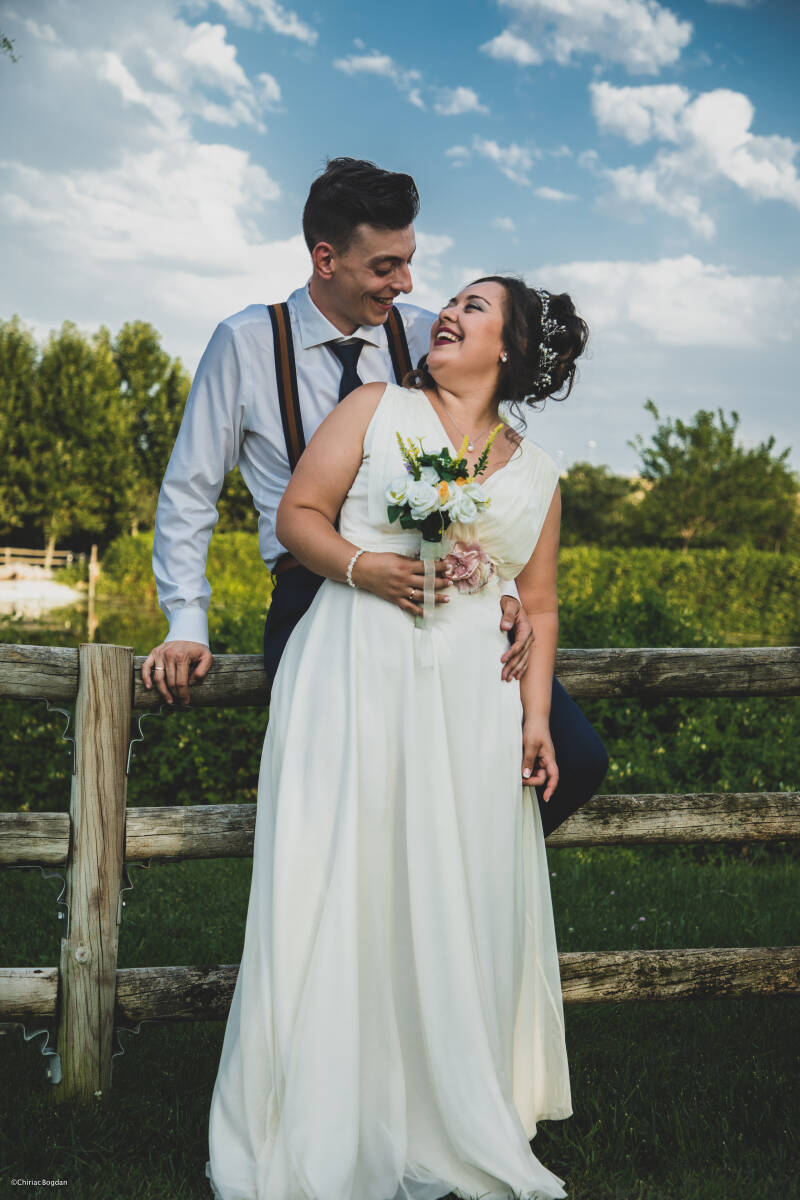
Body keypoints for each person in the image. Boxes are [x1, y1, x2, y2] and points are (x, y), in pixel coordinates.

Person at [206, 275, 589, 1200]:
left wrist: (537, 719)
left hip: (470, 703)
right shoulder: (376, 407)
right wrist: (363, 566)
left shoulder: (539, 474)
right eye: (451, 301)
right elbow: (298, 516)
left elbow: (536, 604)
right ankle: (324, 1103)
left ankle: (436, 1101)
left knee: (446, 882)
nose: (446, 313)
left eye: (473, 308)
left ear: (510, 349)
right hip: (352, 668)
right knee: (343, 875)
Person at [142, 157, 608, 840]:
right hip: (311, 589)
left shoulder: (422, 331)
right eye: (386, 266)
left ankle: (463, 874)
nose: (407, 283)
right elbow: (190, 489)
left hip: (443, 591)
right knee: (361, 788)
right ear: (326, 259)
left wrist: (499, 585)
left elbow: (483, 458)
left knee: (576, 758)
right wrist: (187, 621)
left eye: (409, 262)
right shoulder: (245, 342)